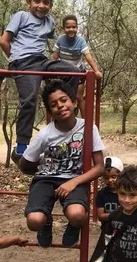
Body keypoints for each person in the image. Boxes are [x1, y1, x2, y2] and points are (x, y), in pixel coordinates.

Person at [0, 0, 80, 164]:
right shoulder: (21, 16)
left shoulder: (49, 22)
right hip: (23, 62)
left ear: (50, 5)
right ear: (29, 2)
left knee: (74, 72)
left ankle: (63, 115)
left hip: (42, 61)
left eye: (46, 2)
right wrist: (15, 60)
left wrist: (60, 57)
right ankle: (21, 147)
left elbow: (46, 40)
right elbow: (4, 41)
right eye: (37, 1)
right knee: (29, 100)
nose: (41, 6)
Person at [18, 79, 104, 247]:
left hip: (74, 178)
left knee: (77, 214)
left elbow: (100, 167)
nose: (60, 106)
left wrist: (73, 182)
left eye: (64, 100)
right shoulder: (45, 134)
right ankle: (47, 221)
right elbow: (24, 164)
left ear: (73, 101)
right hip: (46, 179)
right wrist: (42, 168)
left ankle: (73, 225)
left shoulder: (88, 128)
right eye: (54, 104)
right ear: (50, 110)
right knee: (34, 221)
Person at [51, 14, 102, 118]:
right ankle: (60, 121)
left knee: (78, 97)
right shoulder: (60, 40)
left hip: (78, 71)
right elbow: (55, 56)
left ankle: (86, 123)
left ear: (77, 28)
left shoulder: (80, 41)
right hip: (64, 72)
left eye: (74, 27)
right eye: (68, 27)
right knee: (61, 96)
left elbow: (87, 56)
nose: (71, 29)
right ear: (63, 28)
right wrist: (48, 67)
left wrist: (96, 71)